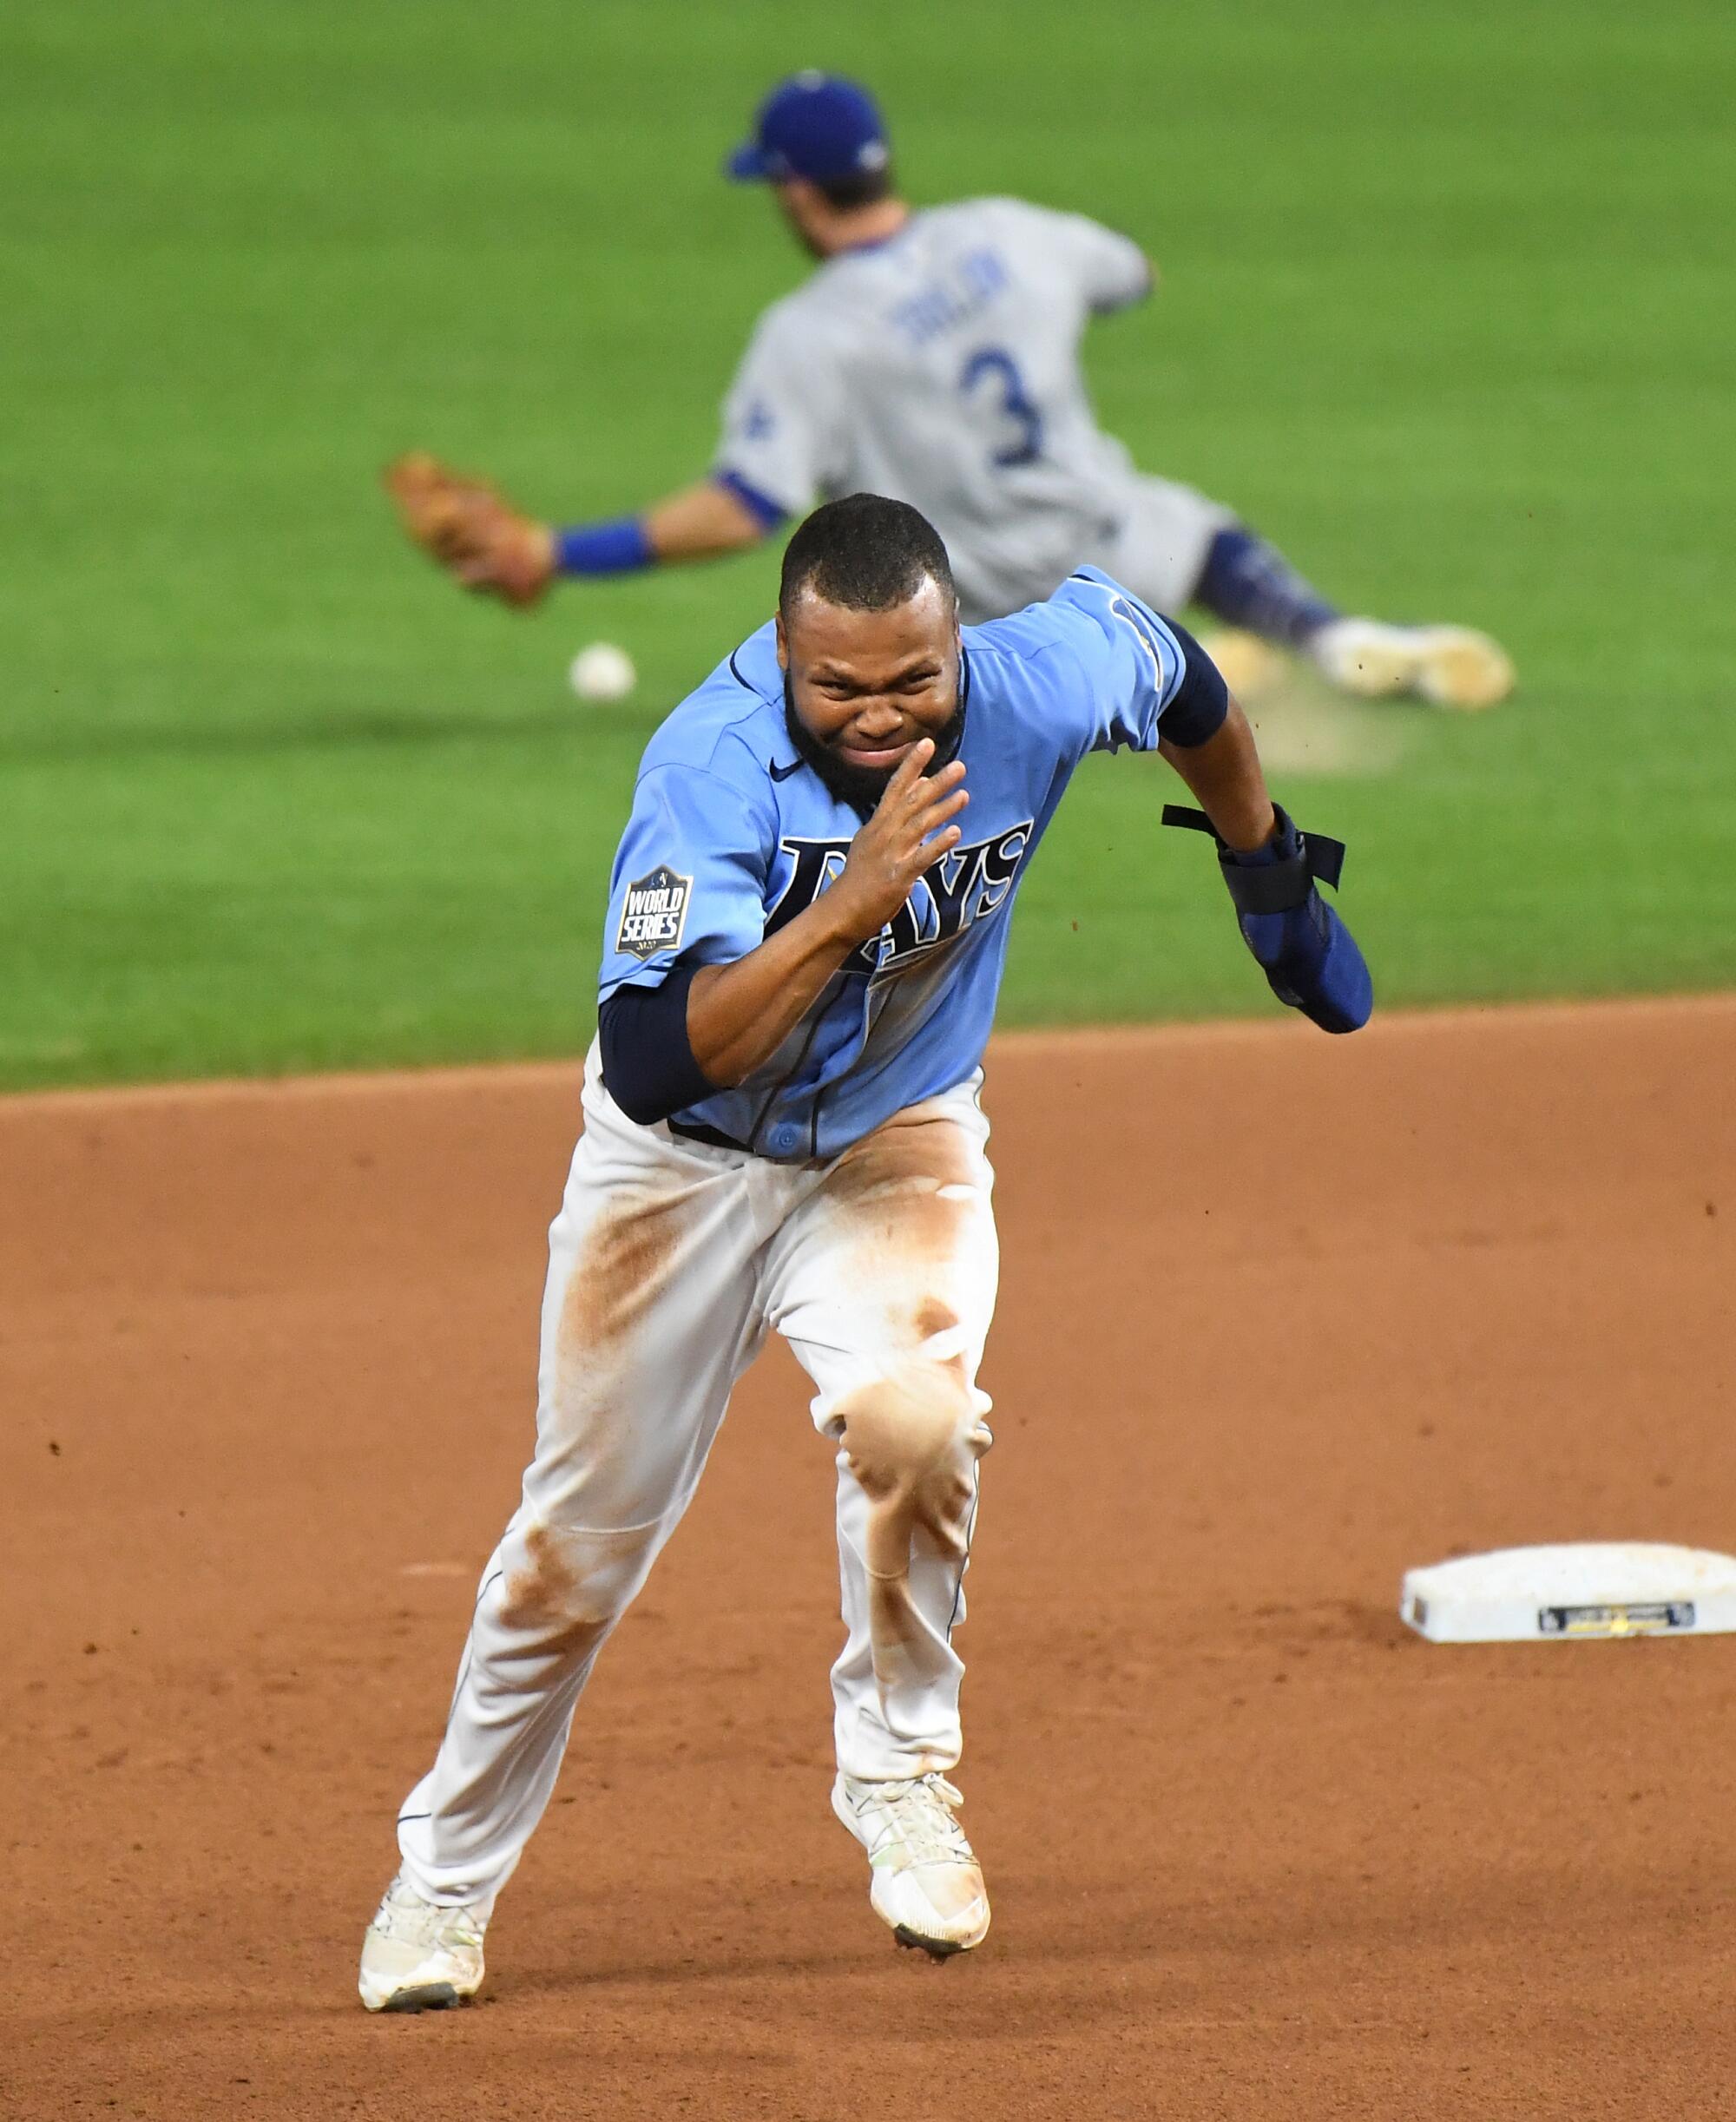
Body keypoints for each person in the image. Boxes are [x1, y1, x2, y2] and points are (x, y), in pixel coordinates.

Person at [358, 494, 1371, 2010]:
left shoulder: (1038, 679)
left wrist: (1264, 861)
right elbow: (652, 1060)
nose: (885, 714)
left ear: (959, 639)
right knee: (572, 1558)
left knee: (918, 1416)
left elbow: (1184, 685)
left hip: (897, 1140)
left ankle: (898, 1773)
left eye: (916, 680)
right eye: (842, 688)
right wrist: (849, 905)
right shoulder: (707, 771)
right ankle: (440, 1884)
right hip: (678, 1176)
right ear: (782, 654)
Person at [384, 72, 1511, 711]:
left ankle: (1182, 674)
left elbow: (741, 507)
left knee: (961, 654)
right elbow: (1137, 273)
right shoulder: (1009, 233)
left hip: (995, 619)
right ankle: (1327, 635)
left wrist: (557, 552)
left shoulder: (813, 332)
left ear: (794, 192)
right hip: (1113, 531)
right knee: (1180, 521)